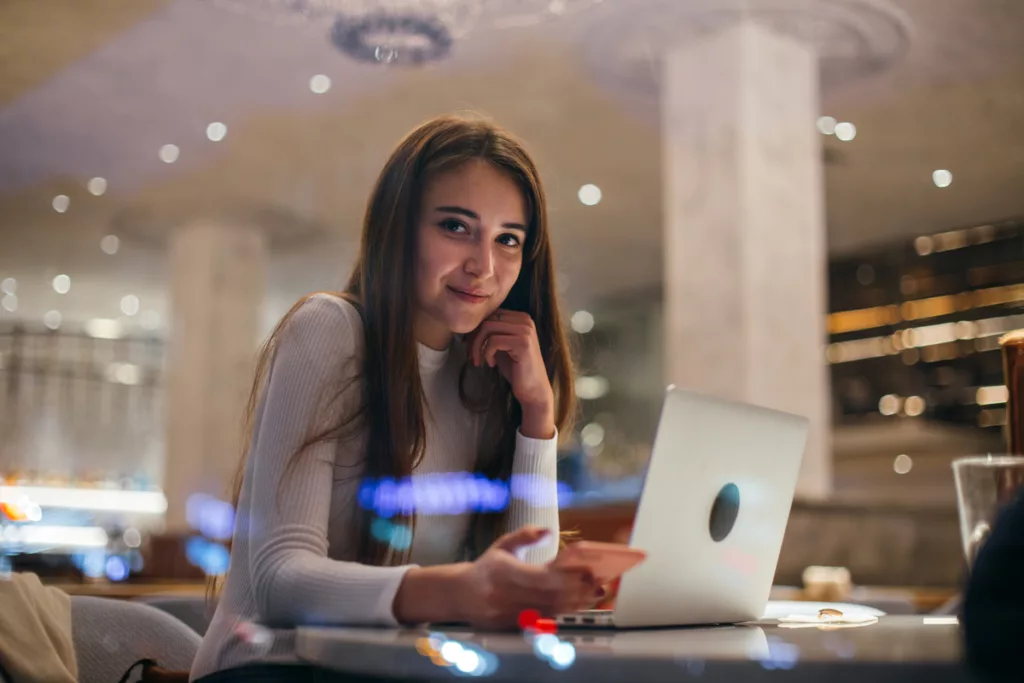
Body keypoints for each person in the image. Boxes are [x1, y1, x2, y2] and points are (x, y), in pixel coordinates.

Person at [190, 114, 600, 682]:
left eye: (508, 239)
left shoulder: (485, 378)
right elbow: (280, 580)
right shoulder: (329, 330)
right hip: (271, 668)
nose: (483, 266)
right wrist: (457, 589)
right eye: (456, 227)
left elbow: (522, 588)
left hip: (390, 672)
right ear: (398, 229)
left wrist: (536, 416)